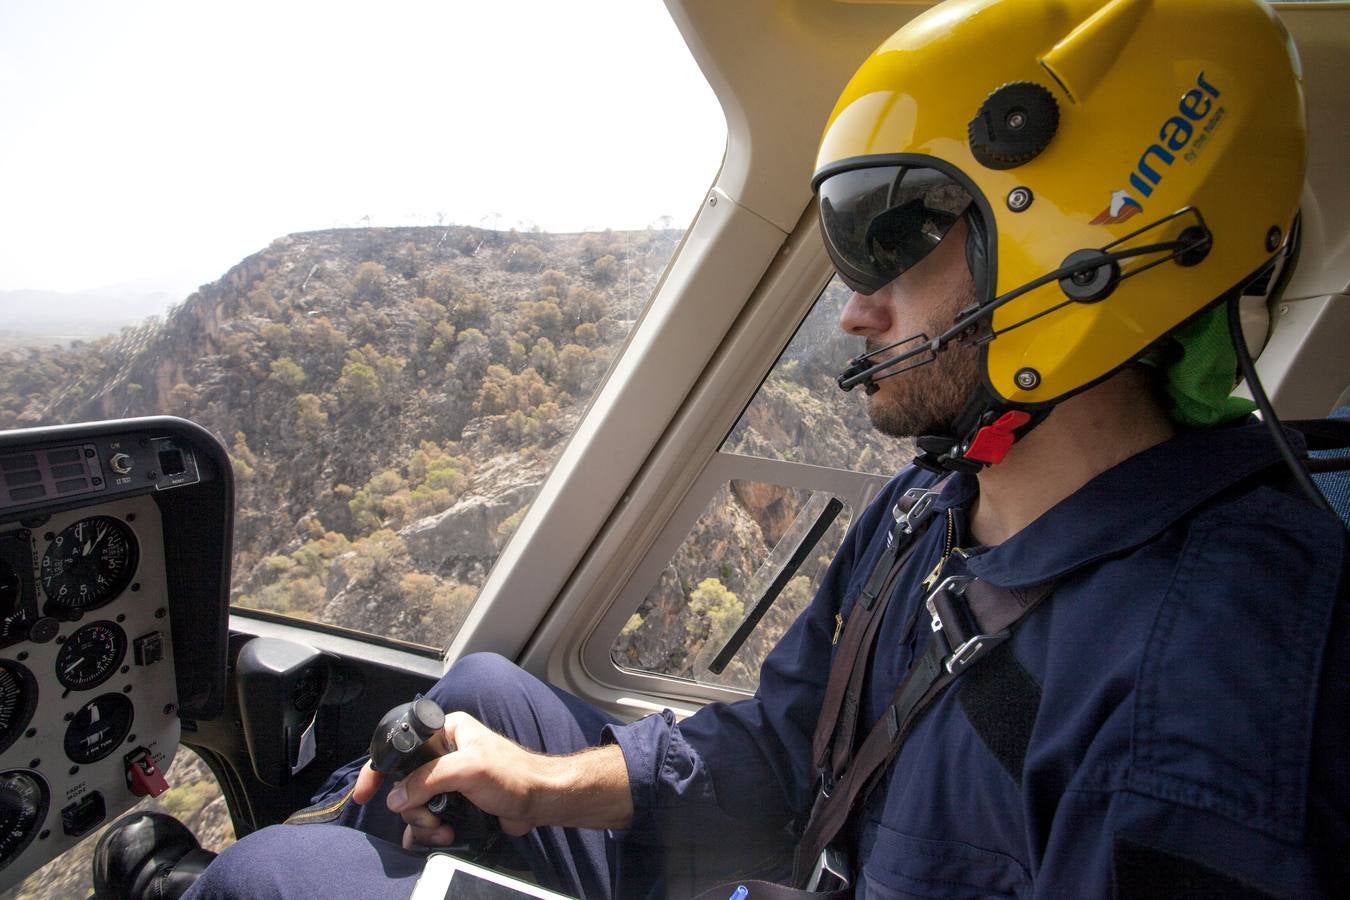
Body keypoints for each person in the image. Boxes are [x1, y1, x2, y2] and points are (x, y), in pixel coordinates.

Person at [132, 0, 1349, 896]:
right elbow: (782, 748)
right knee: (485, 707)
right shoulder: (932, 512)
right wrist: (539, 782)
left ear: (1082, 252)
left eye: (892, 242)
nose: (854, 309)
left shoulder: (1203, 689)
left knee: (275, 884)